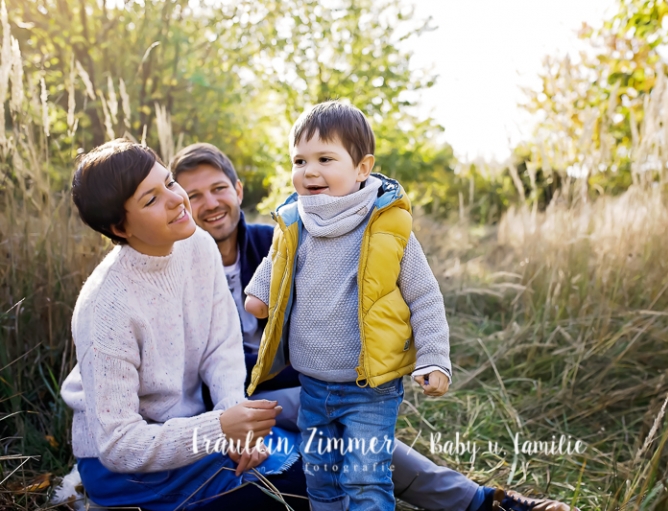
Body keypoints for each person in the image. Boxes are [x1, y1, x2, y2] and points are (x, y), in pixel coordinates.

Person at [172, 141, 578, 511]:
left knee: (354, 438)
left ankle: (485, 502)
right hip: (224, 402)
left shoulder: (285, 237)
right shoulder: (178, 272)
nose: (210, 203)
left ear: (238, 191)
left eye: (219, 188)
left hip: (298, 385)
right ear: (182, 206)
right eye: (194, 195)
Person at [59, 140, 309, 511]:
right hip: (129, 470)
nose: (176, 200)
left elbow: (220, 347)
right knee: (291, 494)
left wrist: (235, 425)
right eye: (150, 200)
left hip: (199, 432)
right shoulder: (105, 306)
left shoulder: (198, 245)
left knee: (319, 473)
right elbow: (118, 445)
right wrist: (220, 430)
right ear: (119, 227)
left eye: (170, 182)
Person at [243, 101, 450, 511]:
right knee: (320, 476)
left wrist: (434, 359)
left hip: (369, 387)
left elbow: (424, 296)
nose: (310, 170)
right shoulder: (292, 224)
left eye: (325, 158)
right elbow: (276, 265)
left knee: (365, 477)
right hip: (313, 386)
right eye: (299, 160)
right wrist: (260, 294)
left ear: (362, 168)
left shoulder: (388, 227)